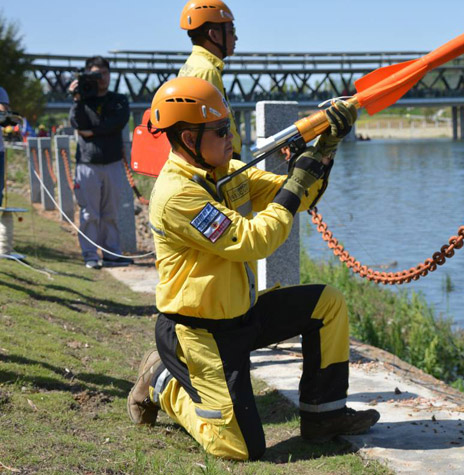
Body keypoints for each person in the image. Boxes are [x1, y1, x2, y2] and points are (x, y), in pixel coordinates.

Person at [127, 77, 378, 460]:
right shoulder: (178, 195)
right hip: (200, 331)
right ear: (189, 139)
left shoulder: (227, 171)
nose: (232, 137)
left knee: (328, 303)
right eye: (222, 130)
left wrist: (326, 146)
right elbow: (253, 239)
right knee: (238, 448)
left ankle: (323, 416)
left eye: (231, 127)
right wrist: (296, 184)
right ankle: (165, 383)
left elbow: (297, 194)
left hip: (242, 314)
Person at [68, 56, 131, 269]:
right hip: (87, 164)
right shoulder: (83, 99)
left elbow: (117, 123)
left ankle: (112, 253)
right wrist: (76, 98)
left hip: (112, 162)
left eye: (104, 73)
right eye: (96, 74)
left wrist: (93, 131)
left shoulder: (119, 99)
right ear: (87, 75)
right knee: (89, 213)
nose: (101, 78)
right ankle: (90, 255)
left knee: (111, 212)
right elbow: (76, 123)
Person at [177, 0, 242, 160]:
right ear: (214, 35)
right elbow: (213, 127)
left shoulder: (192, 65)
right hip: (219, 161)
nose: (236, 38)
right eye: (231, 31)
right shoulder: (207, 71)